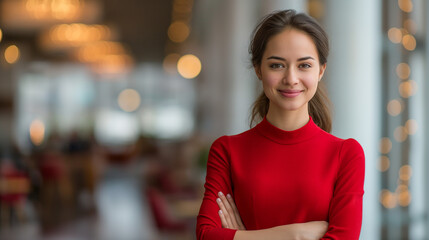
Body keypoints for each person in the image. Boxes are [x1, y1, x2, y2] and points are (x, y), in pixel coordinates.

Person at [196, 9, 365, 240]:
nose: (291, 79)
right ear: (258, 69)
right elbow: (206, 235)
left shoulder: (346, 154)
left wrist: (243, 236)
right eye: (277, 65)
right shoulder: (226, 151)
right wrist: (296, 234)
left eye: (304, 65)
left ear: (321, 71)